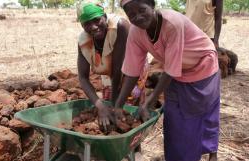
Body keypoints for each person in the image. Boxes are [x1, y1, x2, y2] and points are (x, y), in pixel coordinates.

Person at [114, 0, 221, 161]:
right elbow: (132, 72)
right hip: (176, 72)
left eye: (142, 10)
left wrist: (150, 99)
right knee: (174, 120)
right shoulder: (136, 33)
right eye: (131, 15)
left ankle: (209, 152)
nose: (138, 17)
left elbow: (170, 70)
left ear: (152, 5)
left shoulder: (172, 23)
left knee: (197, 115)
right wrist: (118, 105)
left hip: (202, 66)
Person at [76, 2, 130, 129]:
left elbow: (118, 70)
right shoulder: (83, 41)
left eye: (96, 20)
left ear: (105, 16)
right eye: (86, 23)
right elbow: (83, 77)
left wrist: (116, 103)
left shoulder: (120, 27)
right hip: (108, 75)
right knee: (108, 115)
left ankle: (132, 145)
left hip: (130, 74)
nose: (93, 27)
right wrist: (100, 105)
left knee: (126, 117)